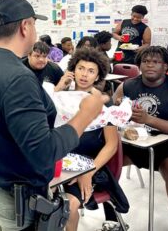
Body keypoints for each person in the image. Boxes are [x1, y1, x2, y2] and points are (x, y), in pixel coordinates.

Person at [0, 0, 109, 230]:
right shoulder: (17, 76)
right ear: (25, 26)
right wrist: (86, 114)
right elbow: (43, 151)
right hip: (16, 198)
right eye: (34, 23)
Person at [114, 46, 168, 231]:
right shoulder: (127, 85)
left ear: (165, 67)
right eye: (146, 61)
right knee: (105, 161)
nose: (150, 65)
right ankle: (113, 218)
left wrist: (149, 120)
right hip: (135, 142)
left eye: (156, 62)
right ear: (139, 65)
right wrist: (120, 110)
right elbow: (112, 111)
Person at [54, 48, 126, 231]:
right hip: (58, 160)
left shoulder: (103, 102)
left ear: (98, 76)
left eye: (91, 71)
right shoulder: (61, 96)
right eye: (81, 68)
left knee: (68, 206)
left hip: (90, 164)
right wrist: (57, 90)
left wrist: (88, 171)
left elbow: (111, 145)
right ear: (73, 69)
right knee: (40, 198)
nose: (84, 74)